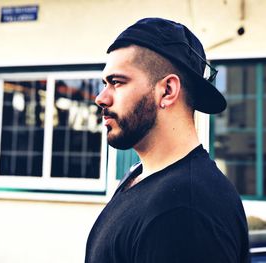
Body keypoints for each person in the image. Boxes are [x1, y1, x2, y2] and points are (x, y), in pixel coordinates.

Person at [85, 18, 250, 263]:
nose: (101, 98)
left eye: (117, 82)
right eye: (104, 84)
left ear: (168, 91)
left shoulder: (185, 210)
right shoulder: (141, 177)